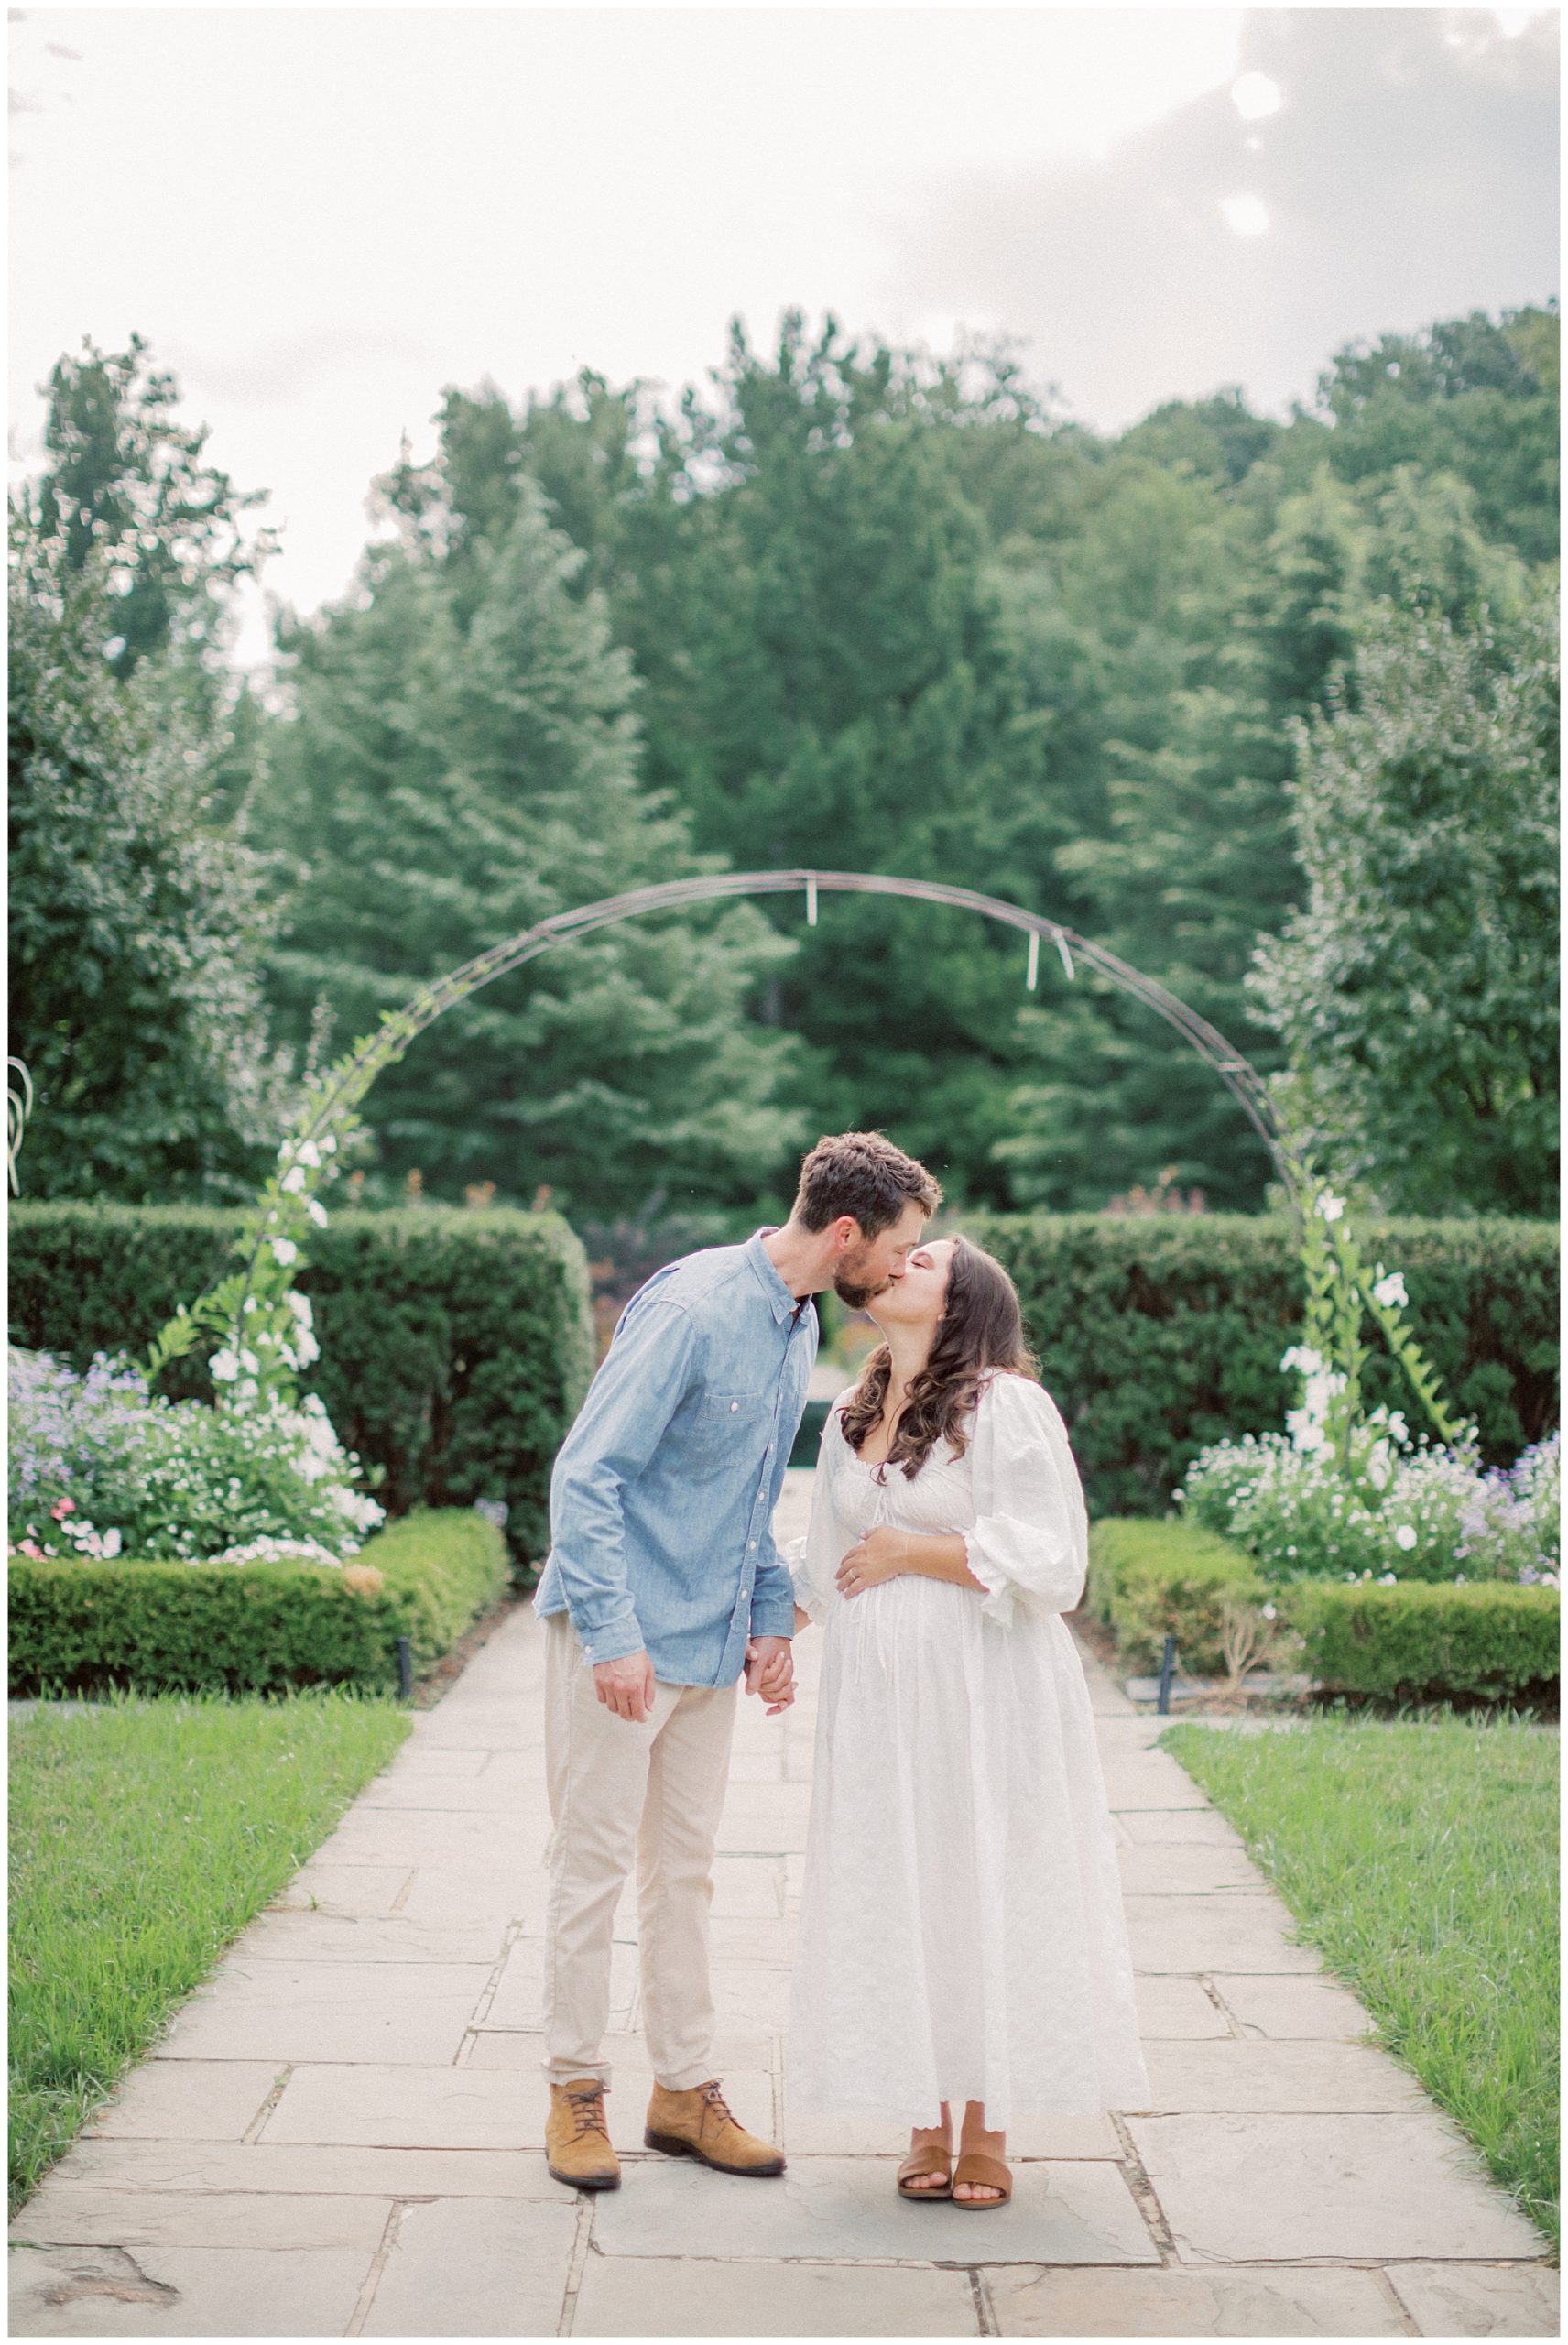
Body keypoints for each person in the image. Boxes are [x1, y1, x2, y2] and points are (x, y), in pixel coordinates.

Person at [532, 1130, 943, 2192]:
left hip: (709, 1644)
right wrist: (613, 1636)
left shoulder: (798, 1323)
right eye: (899, 1248)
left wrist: (767, 1618)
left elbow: (747, 1496)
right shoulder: (690, 1308)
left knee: (685, 1877)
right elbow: (587, 1477)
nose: (902, 1270)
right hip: (618, 1638)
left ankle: (682, 2092)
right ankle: (575, 2093)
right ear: (844, 1232)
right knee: (589, 1872)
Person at [785, 1233, 1150, 2208]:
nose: (901, 1260)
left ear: (962, 1302)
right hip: (877, 1709)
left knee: (983, 1878)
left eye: (927, 1259)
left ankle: (985, 2124)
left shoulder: (1004, 1405)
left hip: (987, 1695)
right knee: (899, 1883)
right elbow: (821, 1564)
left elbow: (1052, 1561)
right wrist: (762, 1634)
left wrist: (911, 1550)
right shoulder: (851, 1413)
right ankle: (920, 2113)